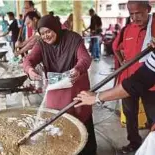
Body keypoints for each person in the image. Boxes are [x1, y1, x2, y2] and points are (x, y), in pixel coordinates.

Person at [23, 15, 97, 155]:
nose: (46, 36)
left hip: (76, 87)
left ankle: (88, 151)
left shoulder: (73, 39)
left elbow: (85, 58)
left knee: (82, 121)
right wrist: (30, 70)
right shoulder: (41, 45)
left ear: (56, 28)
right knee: (58, 123)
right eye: (42, 33)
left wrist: (78, 69)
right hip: (56, 89)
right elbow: (29, 59)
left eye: (48, 31)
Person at [74, 50, 155, 155]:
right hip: (130, 78)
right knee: (130, 113)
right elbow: (140, 80)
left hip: (148, 88)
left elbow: (138, 82)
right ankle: (134, 142)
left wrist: (98, 97)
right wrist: (98, 96)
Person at [111, 1, 155, 153]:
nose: (135, 17)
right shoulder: (126, 30)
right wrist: (122, 60)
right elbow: (116, 47)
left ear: (148, 9)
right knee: (130, 114)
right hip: (129, 80)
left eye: (139, 13)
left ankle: (152, 146)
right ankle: (134, 142)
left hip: (151, 83)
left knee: (153, 116)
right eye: (132, 14)